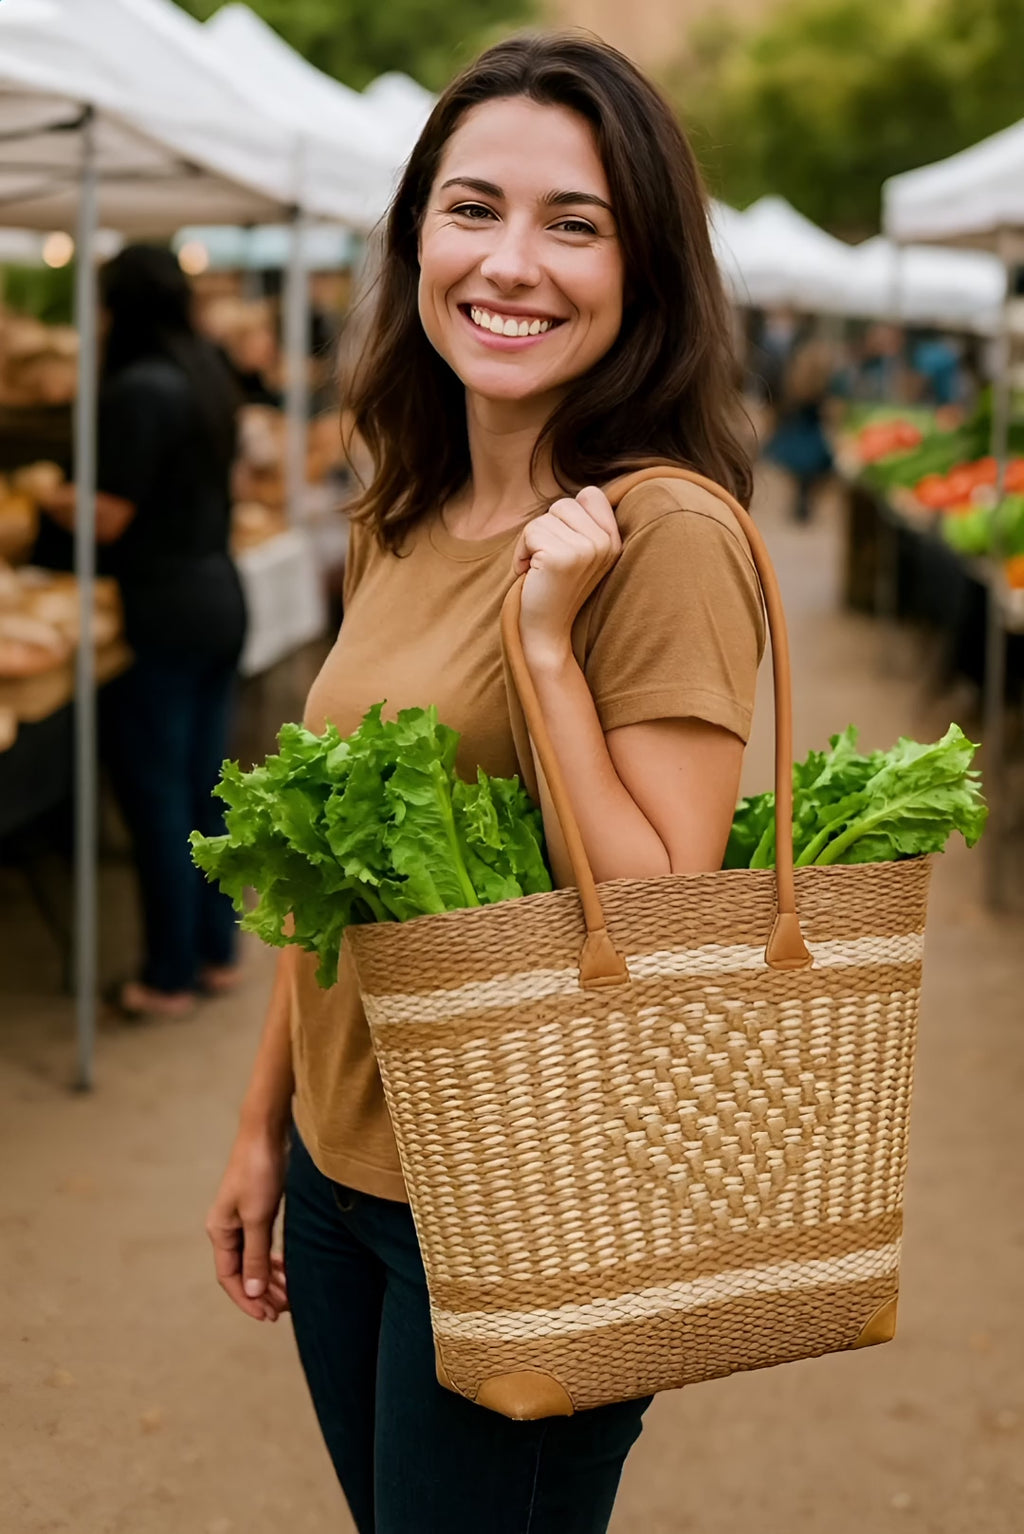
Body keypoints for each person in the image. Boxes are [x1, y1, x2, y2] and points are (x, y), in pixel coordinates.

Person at [206, 35, 764, 1534]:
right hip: (340, 1172)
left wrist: (544, 646)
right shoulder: (403, 499)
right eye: (473, 209)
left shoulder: (665, 537)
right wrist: (270, 1125)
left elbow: (663, 924)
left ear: (645, 266)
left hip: (525, 1206)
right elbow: (334, 853)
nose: (511, 262)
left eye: (573, 223)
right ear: (416, 240)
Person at [38, 245, 247, 1019]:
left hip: (162, 606)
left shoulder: (138, 388)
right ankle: (216, 953)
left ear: (118, 307)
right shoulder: (205, 371)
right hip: (217, 592)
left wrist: (54, 498)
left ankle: (167, 976)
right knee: (201, 788)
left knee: (159, 797)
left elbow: (111, 517)